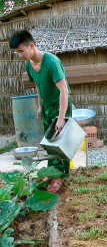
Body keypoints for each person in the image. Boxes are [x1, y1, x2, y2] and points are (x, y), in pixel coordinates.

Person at [9, 30, 73, 193]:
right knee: (49, 143)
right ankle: (52, 173)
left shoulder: (51, 62)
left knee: (61, 143)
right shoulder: (28, 64)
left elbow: (64, 91)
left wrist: (61, 118)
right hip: (47, 107)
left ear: (32, 45)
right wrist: (40, 105)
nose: (20, 55)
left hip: (61, 106)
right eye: (17, 52)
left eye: (21, 51)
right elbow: (38, 84)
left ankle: (60, 176)